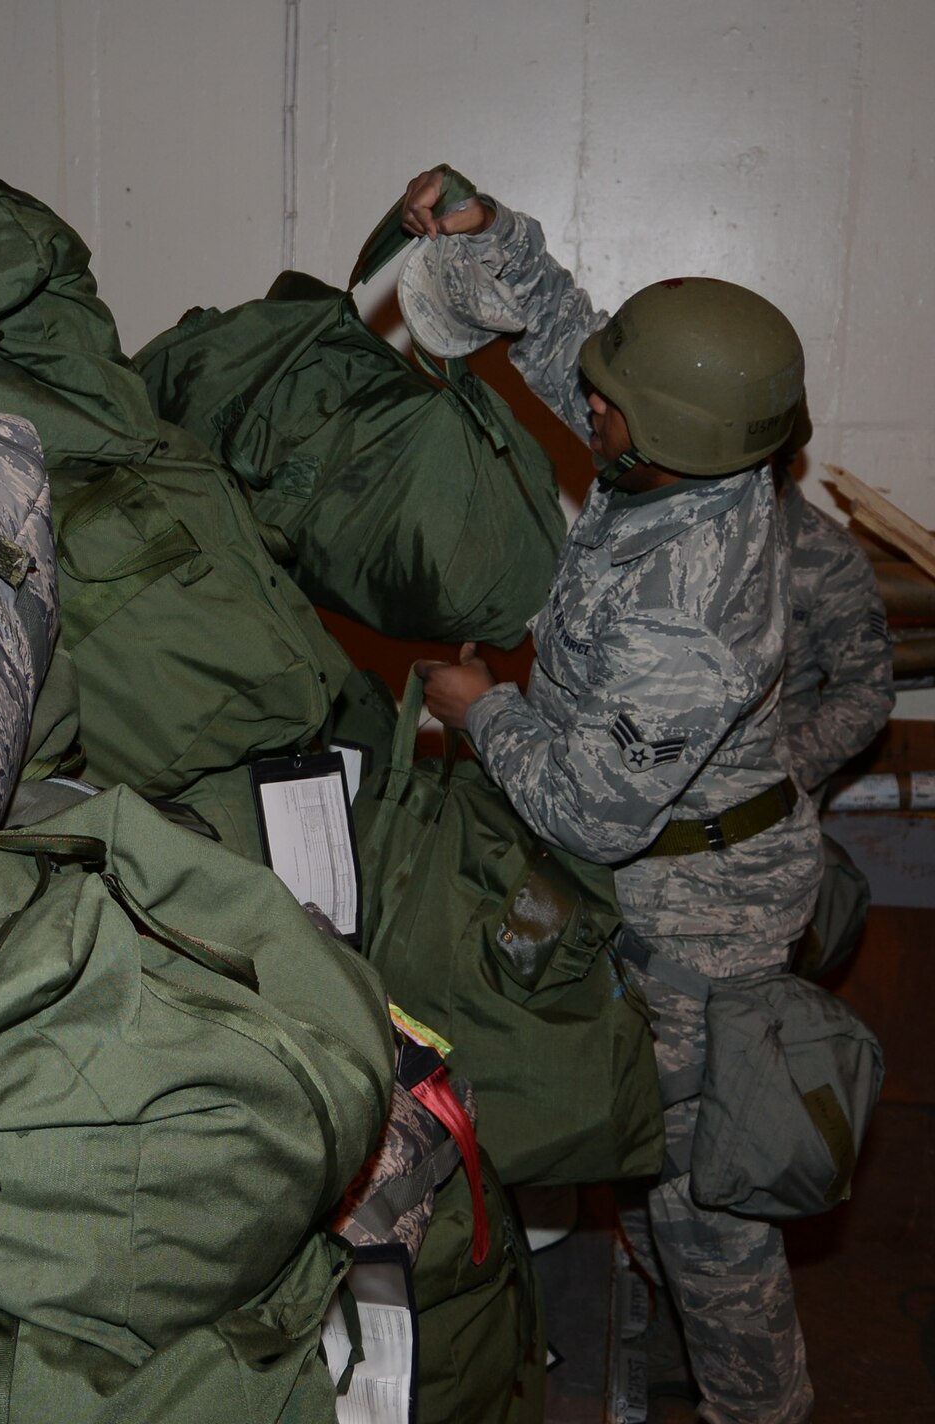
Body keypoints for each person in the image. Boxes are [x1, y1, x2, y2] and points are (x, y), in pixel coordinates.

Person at [397, 167, 820, 1424]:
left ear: (666, 432)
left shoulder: (692, 611)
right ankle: (636, 1356)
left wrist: (480, 709)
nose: (585, 401)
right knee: (631, 1145)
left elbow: (588, 810)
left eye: (606, 404)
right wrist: (495, 238)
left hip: (701, 908)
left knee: (703, 1196)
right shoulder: (686, 449)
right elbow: (581, 346)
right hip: (662, 864)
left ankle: (760, 1404)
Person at [776, 457, 894, 978]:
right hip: (651, 814)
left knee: (740, 1020)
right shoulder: (667, 529)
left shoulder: (824, 555)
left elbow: (866, 691)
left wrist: (777, 773)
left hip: (765, 831)